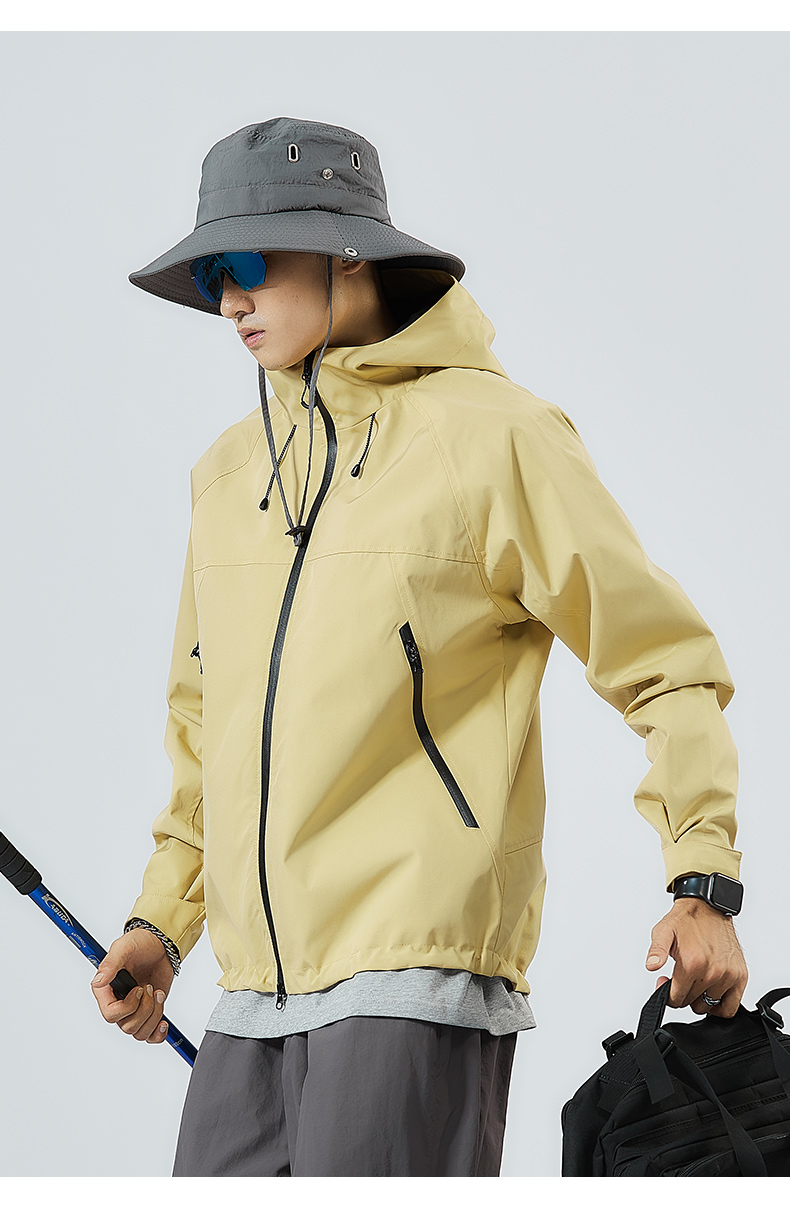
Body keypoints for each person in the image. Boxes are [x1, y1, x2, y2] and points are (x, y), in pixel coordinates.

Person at [90, 116, 748, 1177]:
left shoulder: (492, 436)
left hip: (416, 970)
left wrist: (700, 880)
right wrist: (163, 923)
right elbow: (206, 723)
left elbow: (663, 661)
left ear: (345, 253)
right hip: (252, 993)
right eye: (211, 273)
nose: (227, 301)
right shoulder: (228, 475)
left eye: (247, 264)